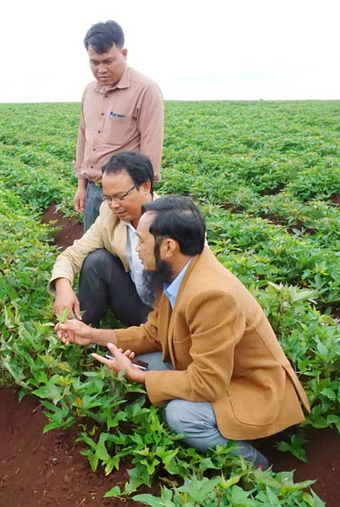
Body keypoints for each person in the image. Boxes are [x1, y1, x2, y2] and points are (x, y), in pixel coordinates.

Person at [56, 196, 310, 468]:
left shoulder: (212, 295)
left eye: (142, 241)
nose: (137, 249)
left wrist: (138, 376)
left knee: (181, 415)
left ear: (168, 247)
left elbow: (207, 383)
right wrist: (92, 335)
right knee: (146, 359)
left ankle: (257, 467)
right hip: (220, 372)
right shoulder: (181, 270)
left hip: (252, 387)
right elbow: (154, 333)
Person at [74, 20, 164, 231]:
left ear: (123, 53)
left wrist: (142, 200)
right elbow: (83, 139)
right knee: (93, 256)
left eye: (108, 61)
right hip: (94, 191)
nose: (101, 69)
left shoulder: (146, 90)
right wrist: (81, 186)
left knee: (130, 257)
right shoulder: (89, 92)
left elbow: (150, 152)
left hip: (126, 196)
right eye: (94, 62)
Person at [51, 151, 156, 327]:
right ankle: (83, 329)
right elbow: (71, 256)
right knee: (97, 261)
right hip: (136, 304)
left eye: (121, 196)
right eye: (108, 198)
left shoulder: (173, 221)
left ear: (145, 186)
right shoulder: (110, 216)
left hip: (170, 316)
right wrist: (62, 286)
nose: (114, 205)